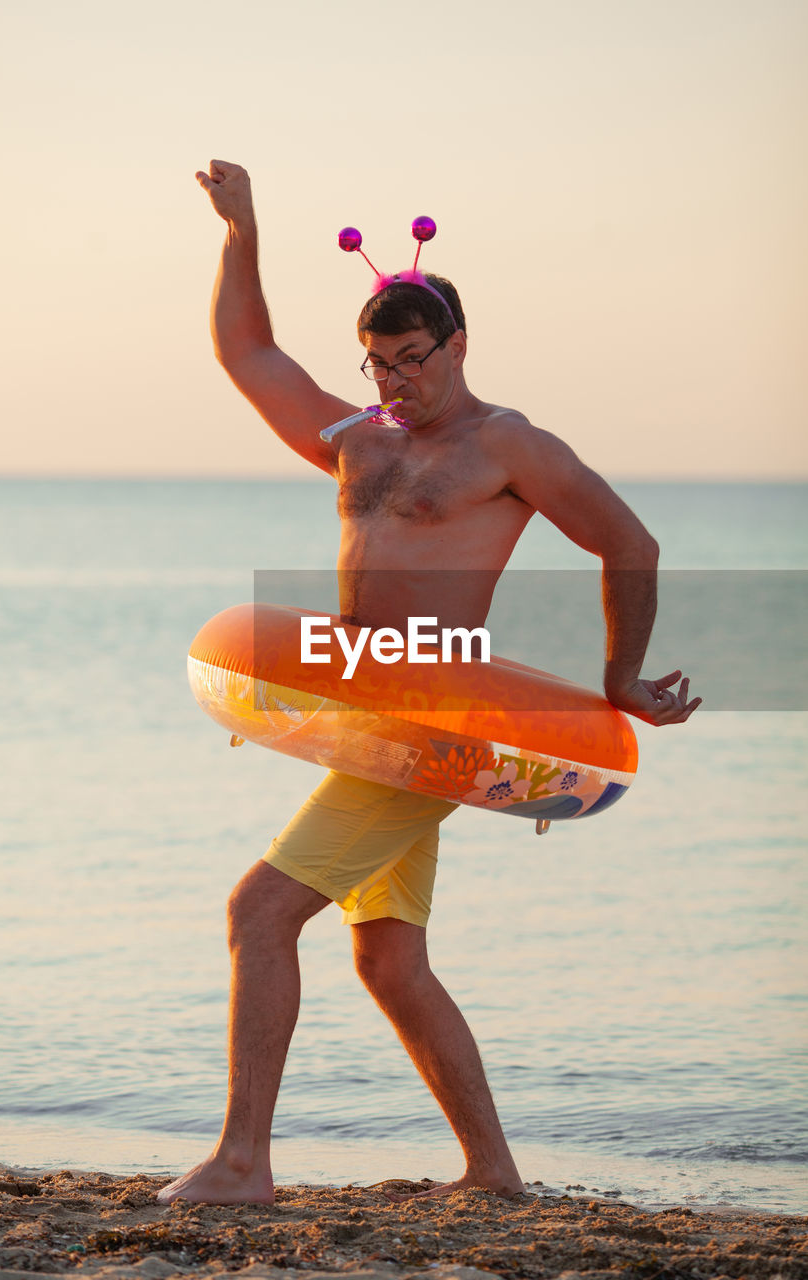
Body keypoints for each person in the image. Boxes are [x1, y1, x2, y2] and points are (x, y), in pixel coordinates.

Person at [157, 160, 701, 1207]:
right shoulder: (357, 442)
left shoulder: (506, 445)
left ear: (457, 343)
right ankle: (493, 1173)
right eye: (377, 364)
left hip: (430, 727)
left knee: (258, 913)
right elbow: (248, 351)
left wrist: (619, 674)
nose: (394, 381)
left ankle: (241, 1162)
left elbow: (628, 539)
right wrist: (242, 232)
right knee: (388, 960)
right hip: (364, 718)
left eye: (413, 358)